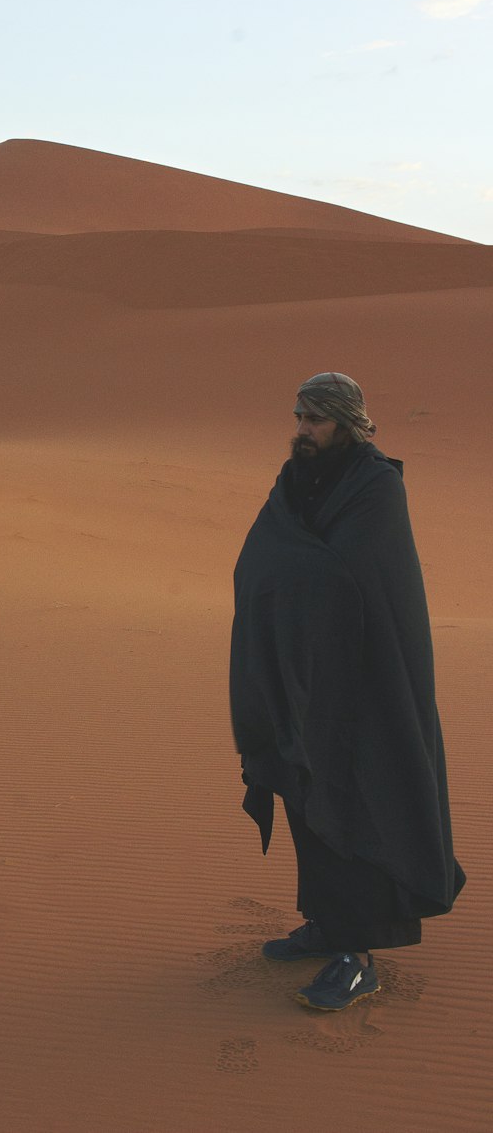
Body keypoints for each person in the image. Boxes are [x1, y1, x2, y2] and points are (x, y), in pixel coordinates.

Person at [229, 372, 465, 1011]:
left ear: (346, 424)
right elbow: (267, 551)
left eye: (315, 420)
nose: (302, 429)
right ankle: (329, 927)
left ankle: (359, 958)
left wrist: (289, 575)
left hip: (367, 682)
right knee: (310, 794)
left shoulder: (375, 486)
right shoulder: (296, 479)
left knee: (360, 801)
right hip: (307, 677)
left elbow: (352, 579)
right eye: (299, 416)